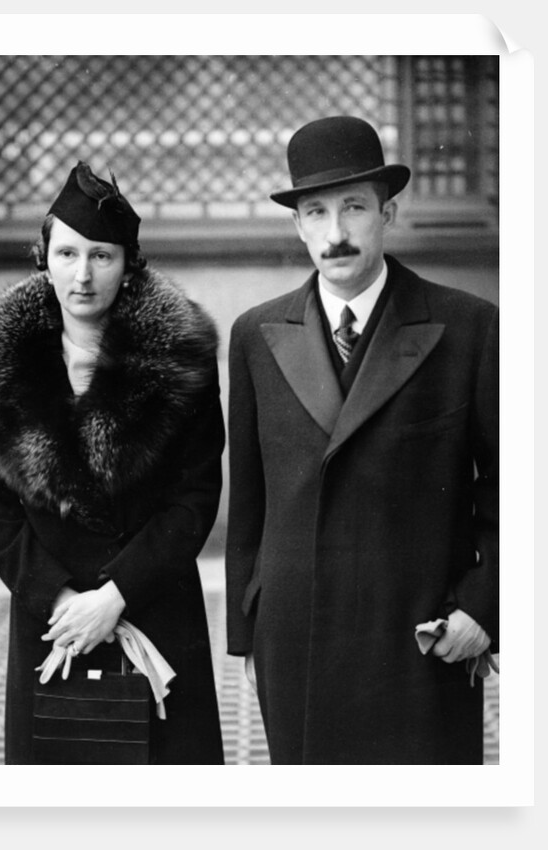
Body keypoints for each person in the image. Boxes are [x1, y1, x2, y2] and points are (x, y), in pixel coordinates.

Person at [225, 116, 498, 765]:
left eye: (353, 207)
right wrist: (248, 633)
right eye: (315, 213)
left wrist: (484, 609)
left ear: (388, 213)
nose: (335, 233)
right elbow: (250, 504)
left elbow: (517, 487)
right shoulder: (256, 335)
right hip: (298, 642)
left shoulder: (467, 327)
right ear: (298, 225)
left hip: (419, 640)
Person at [0, 161, 225, 764]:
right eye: (67, 254)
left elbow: (194, 498)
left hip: (154, 608)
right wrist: (60, 600)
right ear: (44, 259)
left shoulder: (180, 357)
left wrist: (115, 596)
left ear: (129, 265)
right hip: (52, 623)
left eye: (101, 256)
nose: (82, 275)